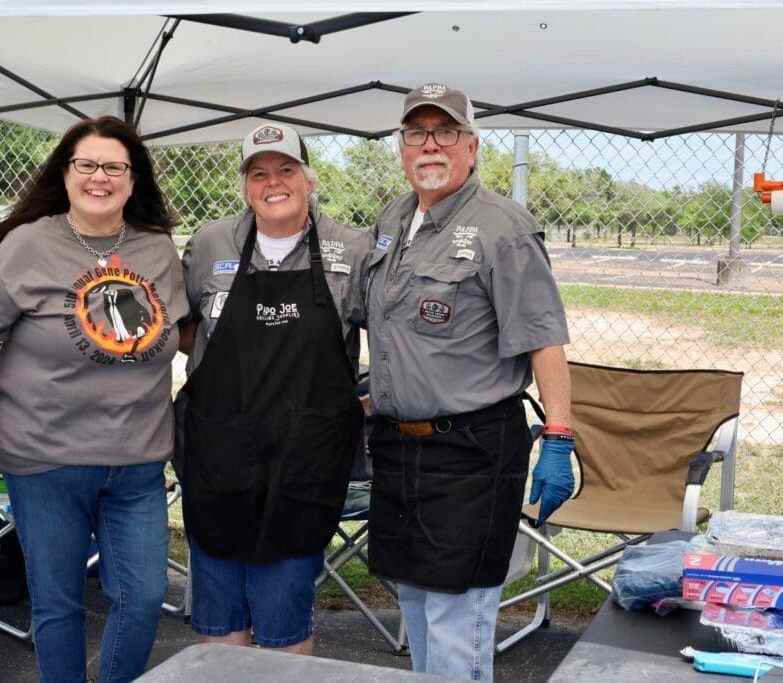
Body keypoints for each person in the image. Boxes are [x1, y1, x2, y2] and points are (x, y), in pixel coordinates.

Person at [0, 116, 188, 683]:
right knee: (58, 605)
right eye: (87, 165)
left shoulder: (157, 250)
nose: (99, 177)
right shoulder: (24, 246)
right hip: (45, 459)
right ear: (66, 172)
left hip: (137, 462)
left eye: (115, 167)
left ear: (133, 181)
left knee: (146, 595)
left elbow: (185, 329)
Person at [364, 83, 575, 681]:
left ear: (473, 146)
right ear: (402, 148)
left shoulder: (502, 229)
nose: (431, 145)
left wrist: (558, 437)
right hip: (400, 444)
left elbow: (544, 340)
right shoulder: (393, 218)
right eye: (417, 133)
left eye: (446, 132)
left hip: (472, 450)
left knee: (459, 618)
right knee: (413, 601)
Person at [178, 123, 373, 655]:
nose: (273, 182)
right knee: (218, 611)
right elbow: (183, 330)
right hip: (218, 452)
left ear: (308, 179)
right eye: (259, 173)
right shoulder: (210, 243)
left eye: (286, 169)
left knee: (285, 609)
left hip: (305, 460)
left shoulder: (352, 249)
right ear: (246, 186)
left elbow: (394, 335)